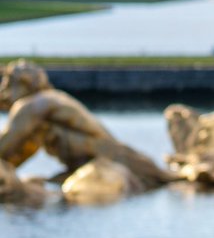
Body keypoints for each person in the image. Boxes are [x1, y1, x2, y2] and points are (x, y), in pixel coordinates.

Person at [0, 59, 172, 189]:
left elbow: (7, 144)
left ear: (20, 84)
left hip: (102, 164)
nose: (4, 91)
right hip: (111, 158)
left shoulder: (33, 105)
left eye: (7, 84)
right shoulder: (50, 99)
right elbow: (18, 153)